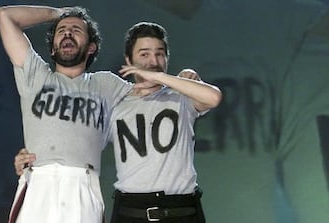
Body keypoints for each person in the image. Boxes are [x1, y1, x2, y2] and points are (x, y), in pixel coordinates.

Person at [14, 22, 222, 223]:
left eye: (159, 54)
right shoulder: (116, 103)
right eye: (144, 54)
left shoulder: (180, 96)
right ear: (128, 61)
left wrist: (165, 78)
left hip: (181, 209)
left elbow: (213, 97)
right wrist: (33, 156)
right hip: (131, 210)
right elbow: (75, 139)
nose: (153, 61)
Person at [0, 5, 156, 223]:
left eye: (76, 30)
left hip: (82, 184)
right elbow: (6, 16)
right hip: (38, 181)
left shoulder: (105, 83)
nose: (68, 33)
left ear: (91, 47)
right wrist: (59, 14)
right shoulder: (35, 74)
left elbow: (151, 89)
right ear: (52, 48)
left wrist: (187, 76)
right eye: (61, 31)